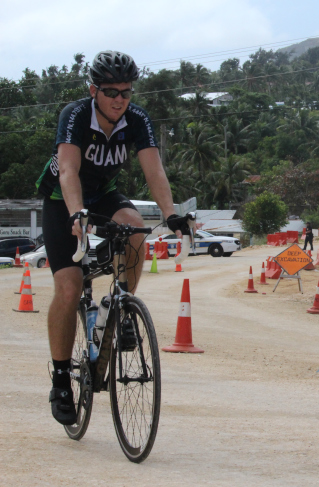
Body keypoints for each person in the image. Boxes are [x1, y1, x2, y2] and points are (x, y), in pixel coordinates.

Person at [36, 51, 188, 426]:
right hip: (61, 200)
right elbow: (68, 170)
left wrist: (170, 215)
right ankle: (59, 380)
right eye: (110, 91)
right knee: (69, 287)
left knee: (135, 227)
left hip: (103, 194)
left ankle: (121, 310)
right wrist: (76, 214)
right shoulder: (74, 115)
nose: (119, 98)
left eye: (126, 91)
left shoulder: (136, 120)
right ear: (94, 91)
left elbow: (155, 170)